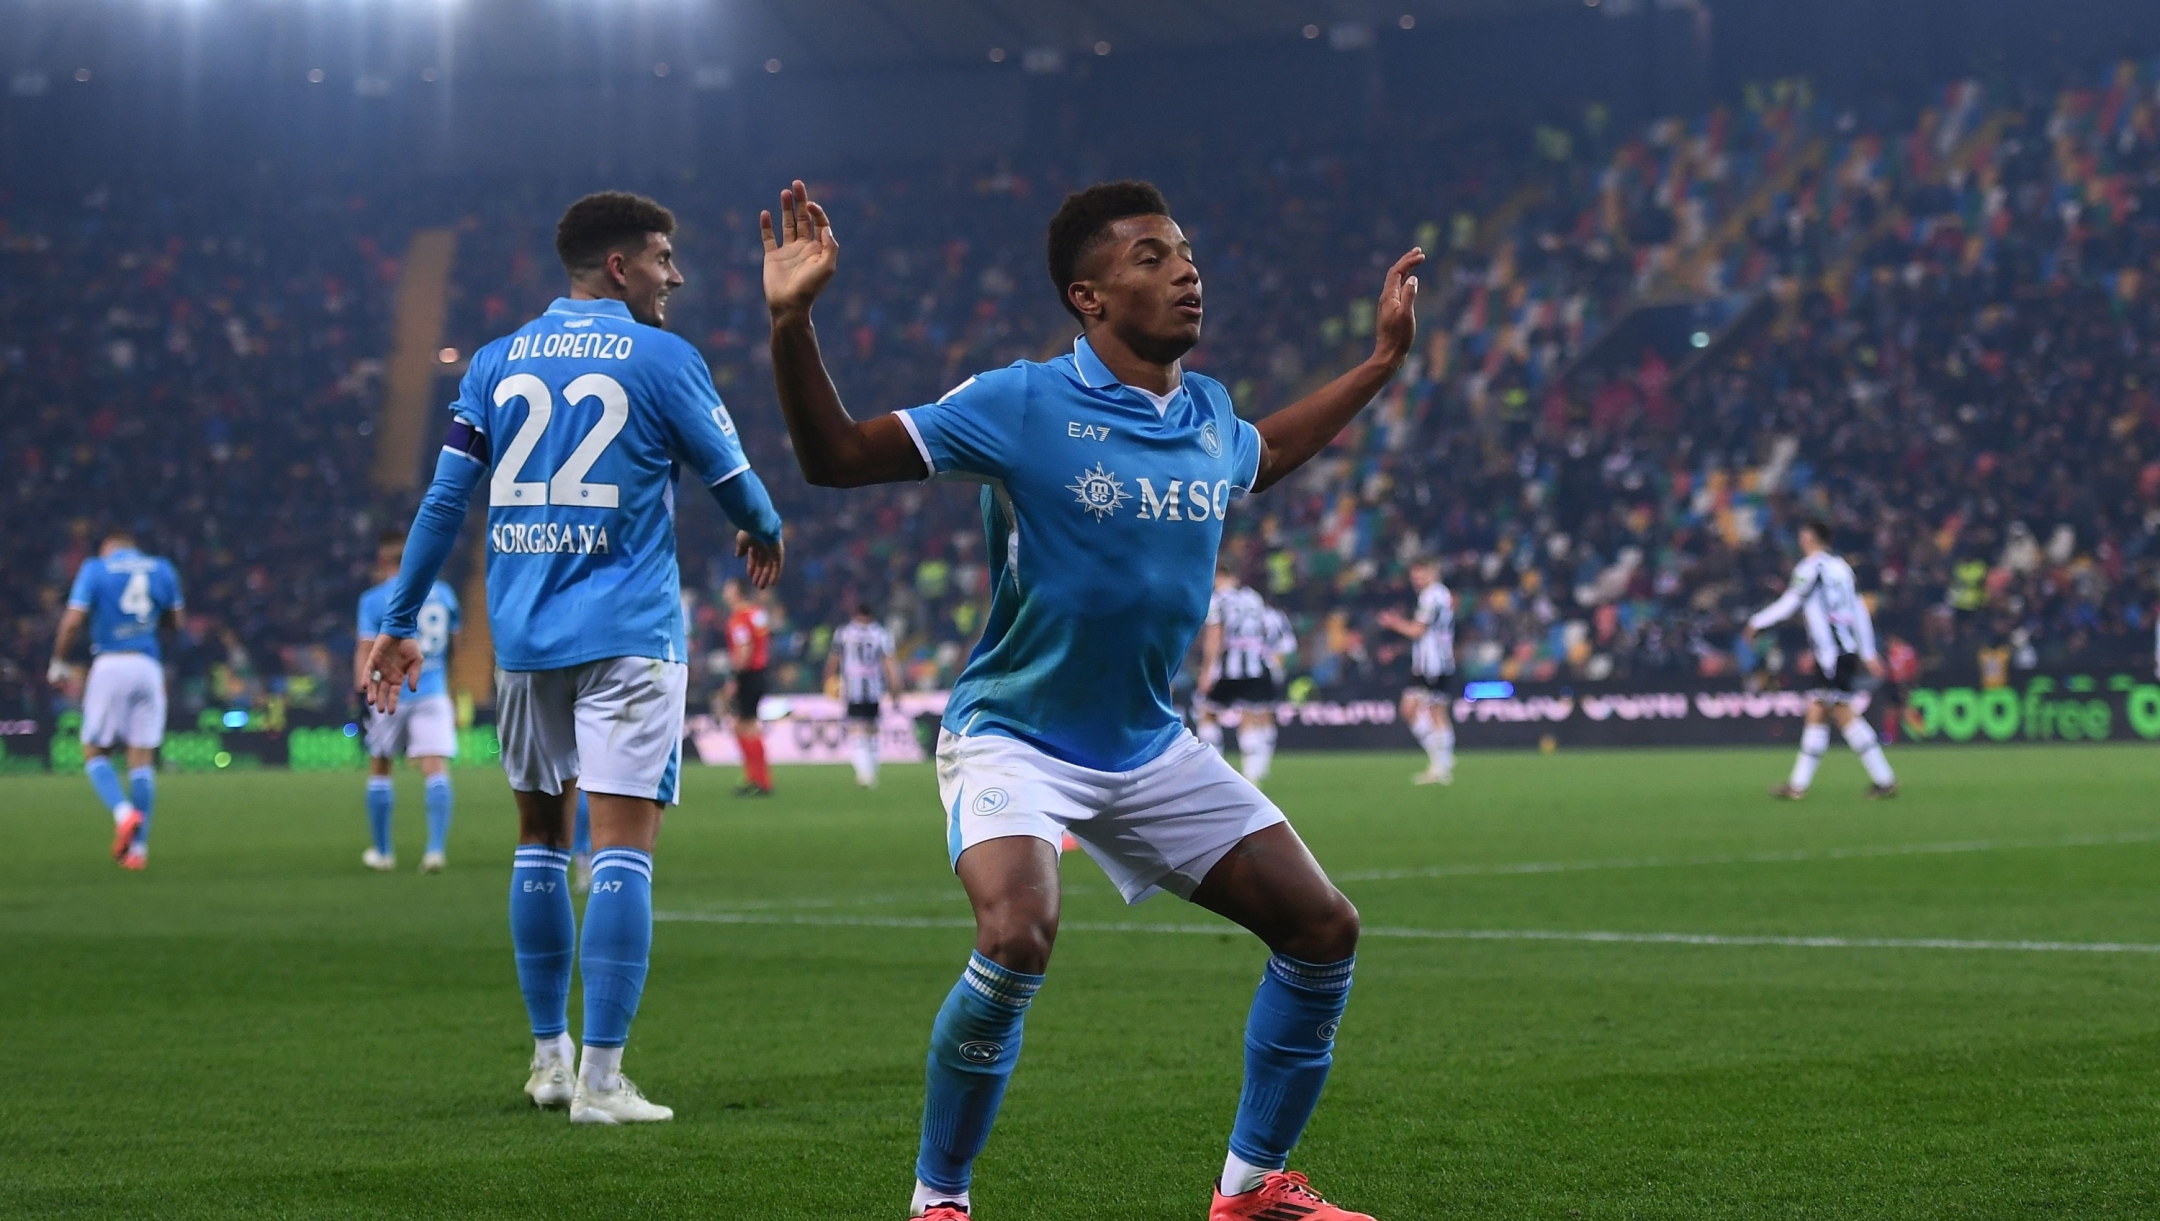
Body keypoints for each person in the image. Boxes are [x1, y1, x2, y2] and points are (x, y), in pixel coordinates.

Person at [763, 177, 1419, 1221]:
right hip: (1015, 735)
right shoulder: (1020, 403)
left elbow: (1274, 450)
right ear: (1090, 297)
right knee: (1017, 935)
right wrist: (793, 321)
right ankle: (940, 1203)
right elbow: (834, 457)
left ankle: (1250, 1192)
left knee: (1322, 928)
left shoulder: (1206, 411)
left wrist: (1380, 363)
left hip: (1149, 744)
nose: (1186, 271)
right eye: (1152, 257)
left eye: (1188, 253)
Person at [365, 190, 785, 1125]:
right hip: (628, 638)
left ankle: (548, 1060)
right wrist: (766, 526)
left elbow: (443, 504)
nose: (677, 276)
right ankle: (602, 1079)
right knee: (624, 851)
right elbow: (738, 482)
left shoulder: (495, 360)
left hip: (520, 640)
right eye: (665, 258)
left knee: (541, 843)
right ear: (621, 267)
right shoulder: (664, 358)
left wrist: (400, 618)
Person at [48, 531, 182, 870]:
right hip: (149, 666)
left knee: (93, 751)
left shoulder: (96, 568)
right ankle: (137, 852)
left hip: (110, 663)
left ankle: (123, 814)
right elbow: (176, 623)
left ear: (109, 548)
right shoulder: (162, 568)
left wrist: (59, 661)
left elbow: (73, 621)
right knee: (141, 760)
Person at [1741, 518, 1896, 799]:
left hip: (1832, 655)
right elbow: (1859, 610)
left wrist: (1756, 622)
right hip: (1843, 651)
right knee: (1817, 712)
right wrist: (1868, 651)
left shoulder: (1811, 569)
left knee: (1841, 712)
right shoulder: (1843, 568)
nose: (1800, 538)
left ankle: (1884, 780)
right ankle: (1798, 786)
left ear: (1811, 537)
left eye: (1802, 533)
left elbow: (1790, 603)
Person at [353, 529, 461, 873]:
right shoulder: (444, 594)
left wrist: (361, 688)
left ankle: (383, 853)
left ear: (385, 560)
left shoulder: (374, 599)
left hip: (388, 690)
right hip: (433, 687)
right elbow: (454, 644)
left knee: (381, 764)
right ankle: (435, 851)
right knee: (435, 768)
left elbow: (366, 649)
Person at [1377, 559, 1457, 785]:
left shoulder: (1432, 596)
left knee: (1433, 712)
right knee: (1415, 710)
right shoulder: (1439, 595)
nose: (1416, 581)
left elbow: (1417, 631)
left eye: (1420, 575)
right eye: (1414, 577)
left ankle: (1441, 764)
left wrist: (1394, 622)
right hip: (1428, 663)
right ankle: (1442, 761)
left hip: (1434, 664)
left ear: (1433, 572)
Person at [1200, 569, 1281, 784]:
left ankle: (1213, 770)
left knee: (1207, 711)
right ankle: (1252, 775)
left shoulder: (1218, 600)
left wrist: (1207, 671)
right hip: (1256, 665)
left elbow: (1215, 637)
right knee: (1249, 713)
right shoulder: (1253, 597)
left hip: (1229, 666)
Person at [827, 604, 901, 787]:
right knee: (872, 730)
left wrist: (828, 679)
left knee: (856, 730)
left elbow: (834, 659)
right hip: (874, 688)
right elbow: (889, 663)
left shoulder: (844, 633)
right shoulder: (882, 634)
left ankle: (864, 774)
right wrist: (896, 687)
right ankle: (871, 774)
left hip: (853, 688)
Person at [723, 579, 775, 796]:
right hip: (760, 672)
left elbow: (744, 648)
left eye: (728, 589)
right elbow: (764, 637)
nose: (724, 594)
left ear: (737, 592)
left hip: (748, 674)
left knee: (746, 726)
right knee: (744, 725)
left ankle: (759, 781)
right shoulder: (757, 613)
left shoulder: (738, 619)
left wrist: (734, 678)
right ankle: (757, 778)